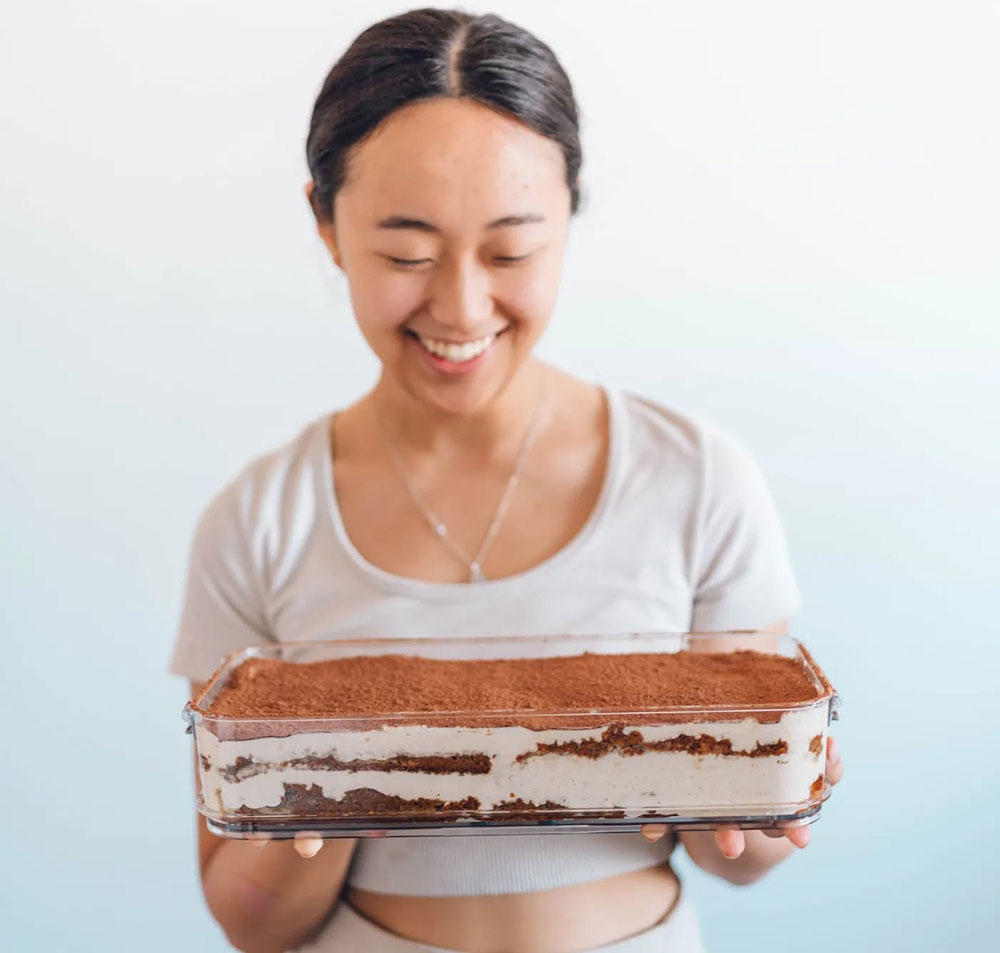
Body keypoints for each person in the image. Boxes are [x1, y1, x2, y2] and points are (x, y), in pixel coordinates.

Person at [168, 7, 844, 952]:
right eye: (406, 253)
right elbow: (250, 921)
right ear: (325, 223)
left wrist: (758, 811)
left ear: (571, 213)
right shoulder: (258, 522)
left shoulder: (697, 483)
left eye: (511, 251)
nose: (461, 305)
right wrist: (323, 794)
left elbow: (733, 854)